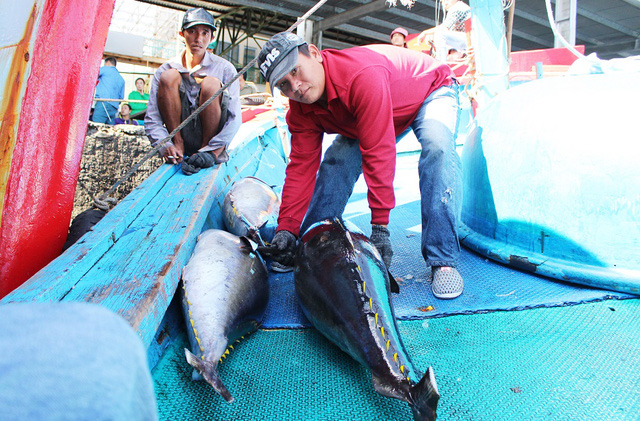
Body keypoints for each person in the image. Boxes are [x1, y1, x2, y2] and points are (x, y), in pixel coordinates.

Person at [257, 32, 464, 299]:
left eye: (296, 70)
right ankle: (310, 242)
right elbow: (300, 169)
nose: (295, 86)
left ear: (315, 53)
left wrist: (380, 228)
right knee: (337, 160)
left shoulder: (360, 76)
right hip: (377, 107)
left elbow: (378, 149)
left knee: (439, 148)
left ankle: (443, 259)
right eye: (284, 84)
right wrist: (288, 228)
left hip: (430, 90)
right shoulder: (300, 110)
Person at [145, 7, 241, 175]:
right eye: (192, 31)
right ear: (182, 35)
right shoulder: (164, 69)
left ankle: (203, 152)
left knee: (211, 83)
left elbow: (234, 119)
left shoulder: (225, 69)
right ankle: (179, 143)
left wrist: (213, 153)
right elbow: (152, 118)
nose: (198, 39)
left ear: (212, 38)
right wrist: (166, 145)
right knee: (169, 77)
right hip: (177, 138)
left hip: (210, 142)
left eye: (205, 33)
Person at [92, 57, 125, 124]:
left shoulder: (105, 69)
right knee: (109, 131)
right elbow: (121, 97)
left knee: (97, 127)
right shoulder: (121, 79)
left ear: (108, 62)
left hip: (103, 103)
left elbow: (92, 74)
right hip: (114, 107)